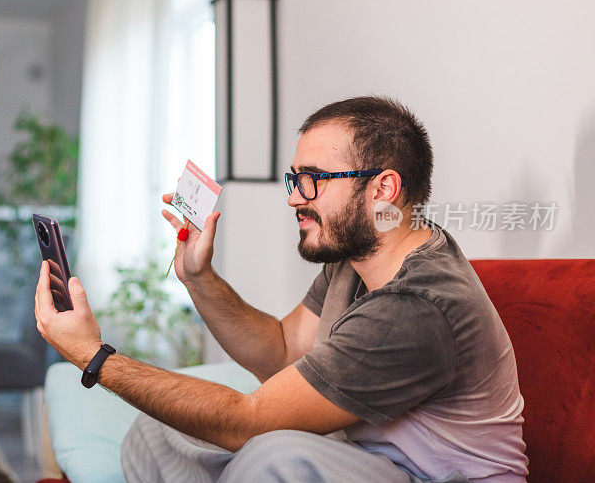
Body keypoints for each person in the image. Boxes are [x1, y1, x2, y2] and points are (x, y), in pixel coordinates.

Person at [35, 96, 529, 482]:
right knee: (158, 434)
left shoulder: (417, 305)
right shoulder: (355, 259)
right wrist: (199, 278)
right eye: (295, 179)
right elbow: (284, 349)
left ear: (383, 189)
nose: (294, 197)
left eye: (312, 180)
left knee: (274, 454)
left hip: (438, 479)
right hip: (363, 463)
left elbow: (247, 420)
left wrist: (94, 356)